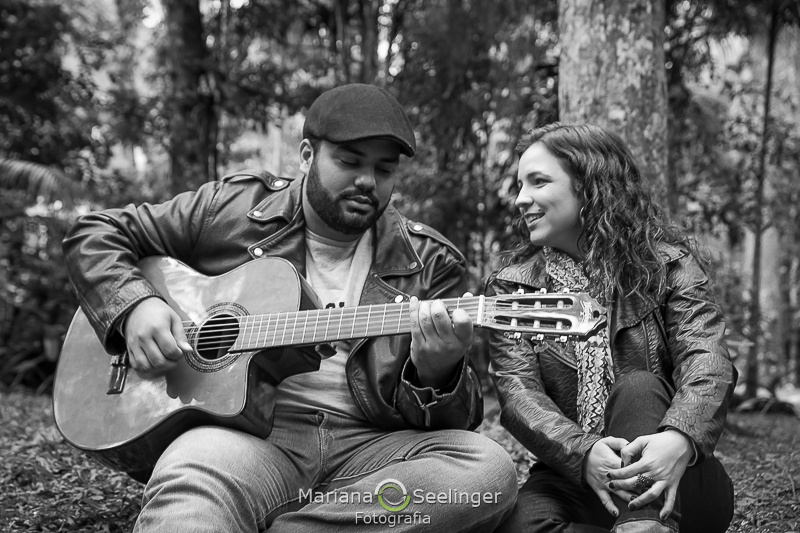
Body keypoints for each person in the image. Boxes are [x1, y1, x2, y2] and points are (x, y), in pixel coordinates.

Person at [62, 83, 518, 532]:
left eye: (384, 169)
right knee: (189, 483)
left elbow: (452, 420)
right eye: (350, 161)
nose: (367, 181)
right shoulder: (234, 207)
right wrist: (135, 305)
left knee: (487, 470)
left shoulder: (432, 260)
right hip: (249, 440)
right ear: (306, 156)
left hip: (373, 450)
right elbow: (97, 232)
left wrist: (435, 373)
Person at [486, 123, 736, 533]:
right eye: (519, 185)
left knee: (638, 386)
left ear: (590, 186)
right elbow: (518, 393)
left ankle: (645, 523)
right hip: (573, 474)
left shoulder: (670, 267)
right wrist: (585, 454)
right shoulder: (513, 287)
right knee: (519, 524)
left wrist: (680, 438)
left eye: (538, 182)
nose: (520, 199)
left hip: (675, 475)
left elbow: (707, 360)